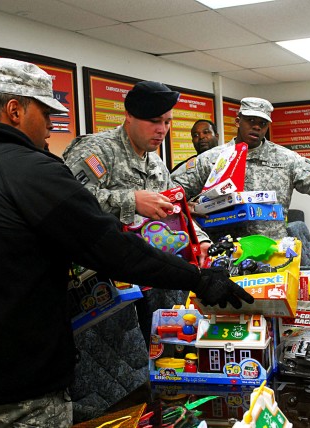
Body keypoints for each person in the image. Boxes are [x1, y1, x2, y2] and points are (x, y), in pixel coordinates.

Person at [0, 58, 253, 428]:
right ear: (14, 110)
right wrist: (199, 279)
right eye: (45, 114)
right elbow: (109, 247)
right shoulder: (34, 171)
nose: (50, 126)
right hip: (22, 380)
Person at [62, 80, 214, 419]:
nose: (162, 130)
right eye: (154, 122)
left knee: (162, 373)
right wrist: (130, 200)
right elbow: (68, 207)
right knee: (113, 395)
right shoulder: (95, 151)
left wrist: (198, 237)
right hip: (103, 295)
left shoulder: (155, 163)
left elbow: (176, 209)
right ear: (129, 116)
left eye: (168, 122)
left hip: (149, 283)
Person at [171, 97, 310, 250]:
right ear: (238, 121)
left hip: (272, 252)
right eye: (251, 120)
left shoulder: (286, 159)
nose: (257, 127)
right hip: (224, 253)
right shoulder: (212, 159)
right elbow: (170, 191)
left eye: (262, 123)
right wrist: (188, 207)